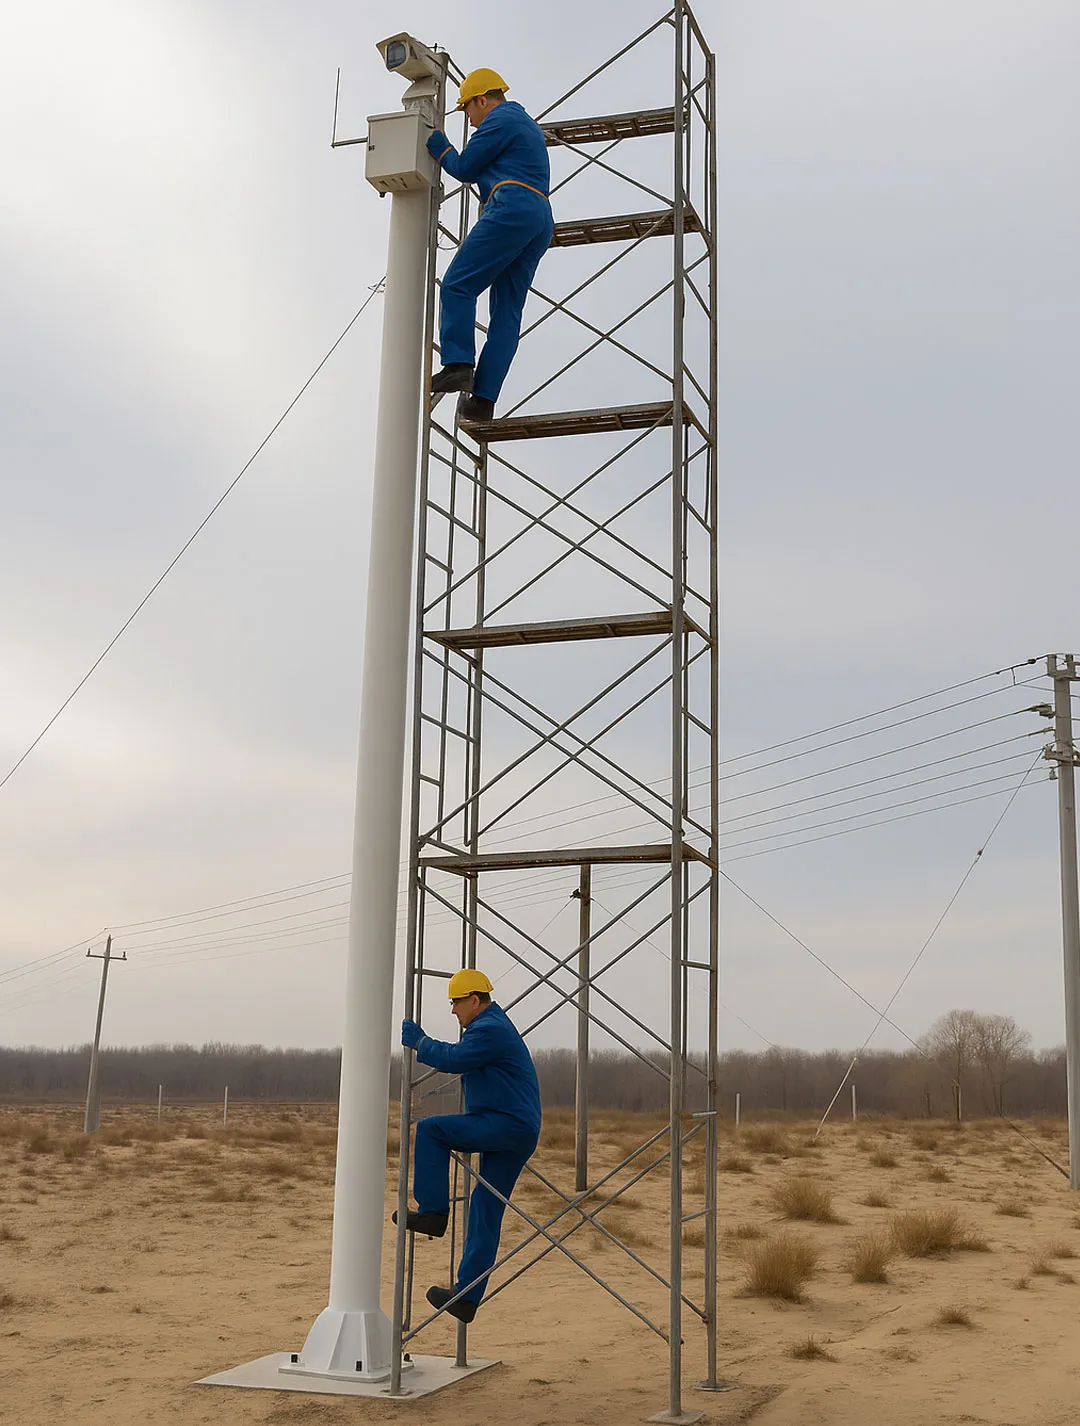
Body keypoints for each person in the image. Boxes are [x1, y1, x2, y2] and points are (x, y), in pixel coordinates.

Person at [398, 967, 542, 1322]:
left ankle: (433, 1212)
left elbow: (454, 1060)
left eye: (456, 1003)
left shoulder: (489, 1029)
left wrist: (419, 1042)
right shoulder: (492, 1026)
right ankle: (466, 1296)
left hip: (504, 1124)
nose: (453, 1011)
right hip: (516, 1128)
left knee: (431, 1131)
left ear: (474, 1000)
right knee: (484, 1209)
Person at [425, 68, 554, 424]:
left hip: (512, 206)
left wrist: (441, 148)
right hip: (539, 216)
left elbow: (465, 167)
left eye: (468, 110)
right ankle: (483, 401)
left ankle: (458, 364)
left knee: (457, 285)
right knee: (507, 314)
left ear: (482, 100)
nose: (470, 122)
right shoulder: (524, 123)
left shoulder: (500, 119)